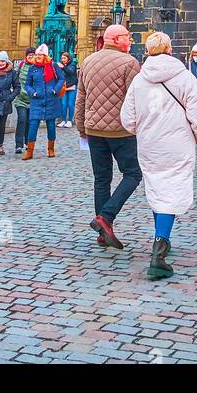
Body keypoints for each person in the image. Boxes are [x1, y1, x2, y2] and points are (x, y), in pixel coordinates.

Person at [120, 31, 197, 281]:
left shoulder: (139, 81)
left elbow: (127, 120)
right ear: (170, 50)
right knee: (170, 192)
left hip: (150, 145)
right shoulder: (185, 78)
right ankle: (159, 250)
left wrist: (146, 130)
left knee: (157, 189)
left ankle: (163, 239)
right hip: (178, 145)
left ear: (147, 52)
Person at [76, 22, 142, 250]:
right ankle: (106, 216)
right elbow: (137, 98)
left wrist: (81, 127)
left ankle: (104, 233)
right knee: (133, 174)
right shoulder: (129, 63)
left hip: (94, 130)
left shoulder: (88, 61)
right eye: (127, 36)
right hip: (120, 130)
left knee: (101, 179)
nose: (130, 40)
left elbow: (80, 97)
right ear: (115, 39)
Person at [23, 44, 65, 158]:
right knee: (33, 125)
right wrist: (32, 92)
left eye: (40, 55)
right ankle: (29, 150)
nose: (37, 57)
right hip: (37, 100)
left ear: (45, 56)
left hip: (51, 99)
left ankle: (51, 149)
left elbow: (61, 79)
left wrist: (55, 90)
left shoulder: (53, 66)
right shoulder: (32, 68)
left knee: (51, 125)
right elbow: (27, 84)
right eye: (36, 55)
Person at [12, 53, 34, 155]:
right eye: (29, 55)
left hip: (33, 98)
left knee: (29, 121)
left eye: (33, 55)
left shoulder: (37, 67)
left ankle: (27, 142)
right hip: (20, 98)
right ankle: (18, 145)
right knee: (22, 119)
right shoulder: (21, 65)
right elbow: (14, 78)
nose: (31, 56)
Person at [58, 51, 79, 127]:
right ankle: (63, 120)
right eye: (62, 58)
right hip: (64, 87)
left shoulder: (72, 64)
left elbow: (70, 72)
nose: (63, 59)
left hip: (71, 87)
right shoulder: (60, 65)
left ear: (68, 58)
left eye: (64, 58)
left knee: (70, 104)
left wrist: (63, 67)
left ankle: (70, 120)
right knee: (63, 104)